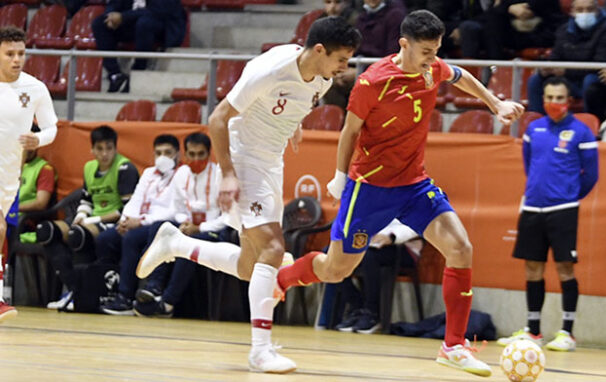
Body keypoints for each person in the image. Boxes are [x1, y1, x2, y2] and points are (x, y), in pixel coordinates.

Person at [274, 10, 522, 377]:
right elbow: (349, 131)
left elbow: (462, 76)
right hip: (369, 188)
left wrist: (495, 103)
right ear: (403, 44)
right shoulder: (372, 82)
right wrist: (341, 177)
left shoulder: (431, 67)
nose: (433, 58)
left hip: (414, 184)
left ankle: (453, 346)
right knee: (335, 270)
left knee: (461, 248)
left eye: (436, 50)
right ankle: (282, 279)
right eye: (425, 51)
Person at [136, 17, 362, 374]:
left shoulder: (323, 74)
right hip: (243, 157)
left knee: (249, 267)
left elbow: (295, 99)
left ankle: (176, 245)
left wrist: (294, 124)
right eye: (341, 59)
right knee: (274, 250)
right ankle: (260, 350)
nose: (345, 68)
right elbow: (218, 117)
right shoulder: (270, 69)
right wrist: (227, 173)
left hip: (271, 160)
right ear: (319, 50)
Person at [497, 76, 598, 352]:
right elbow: (530, 165)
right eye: (549, 98)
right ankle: (533, 331)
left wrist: (568, 196)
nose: (554, 103)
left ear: (569, 101)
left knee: (565, 267)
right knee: (532, 267)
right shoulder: (533, 128)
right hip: (532, 207)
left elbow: (591, 176)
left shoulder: (582, 132)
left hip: (563, 209)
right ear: (544, 100)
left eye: (559, 98)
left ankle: (567, 332)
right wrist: (537, 192)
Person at [40, 125, 139, 310]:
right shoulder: (89, 167)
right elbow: (87, 199)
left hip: (115, 222)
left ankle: (80, 294)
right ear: (92, 149)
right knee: (47, 231)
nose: (104, 154)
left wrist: (92, 221)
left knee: (78, 235)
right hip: (91, 218)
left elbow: (127, 209)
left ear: (115, 149)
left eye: (109, 148)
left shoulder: (125, 168)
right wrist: (80, 215)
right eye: (99, 149)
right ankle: (72, 288)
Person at [132, 132, 228, 318]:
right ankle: (154, 288)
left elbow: (227, 218)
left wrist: (199, 228)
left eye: (201, 154)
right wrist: (185, 222)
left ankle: (167, 303)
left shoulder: (220, 175)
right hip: (188, 225)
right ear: (185, 154)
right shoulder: (181, 173)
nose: (196, 159)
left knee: (188, 243)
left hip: (213, 230)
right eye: (191, 154)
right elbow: (176, 208)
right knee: (159, 228)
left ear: (209, 155)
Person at [0, 26, 59, 323]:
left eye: (21, 53)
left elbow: (52, 127)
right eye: (10, 53)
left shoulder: (34, 88)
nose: (17, 59)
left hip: (10, 173)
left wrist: (40, 139)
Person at [97, 134, 192, 315]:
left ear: (177, 155)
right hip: (140, 222)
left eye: (168, 153)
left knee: (136, 236)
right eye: (158, 153)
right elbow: (136, 199)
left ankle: (137, 293)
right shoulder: (149, 173)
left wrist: (139, 222)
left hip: (165, 222)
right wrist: (125, 220)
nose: (162, 157)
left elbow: (175, 209)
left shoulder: (183, 173)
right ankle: (109, 292)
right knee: (106, 238)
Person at [526, 0, 606, 114]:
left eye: (589, 9)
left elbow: (600, 64)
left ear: (597, 11)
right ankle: (536, 121)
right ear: (572, 12)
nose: (585, 13)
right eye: (580, 10)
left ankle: (588, 122)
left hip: (591, 79)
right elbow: (555, 57)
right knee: (535, 79)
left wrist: (566, 71)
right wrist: (547, 68)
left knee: (590, 81)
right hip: (569, 80)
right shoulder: (564, 29)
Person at [334, 219, 422, 334]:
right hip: (370, 243)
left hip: (403, 247)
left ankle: (372, 313)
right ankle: (357, 305)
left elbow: (419, 222)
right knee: (331, 254)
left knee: (369, 256)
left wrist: (391, 236)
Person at [91, 0, 187, 93]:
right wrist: (110, 16)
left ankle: (138, 69)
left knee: (144, 23)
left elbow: (158, 11)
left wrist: (123, 17)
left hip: (162, 24)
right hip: (133, 21)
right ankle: (115, 74)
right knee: (99, 24)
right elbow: (114, 3)